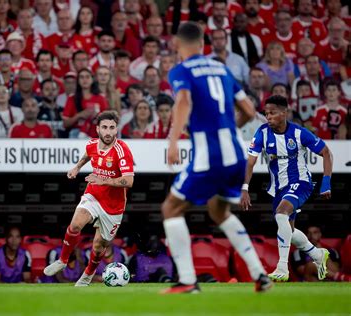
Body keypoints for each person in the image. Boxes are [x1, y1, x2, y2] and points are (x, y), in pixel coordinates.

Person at [161, 22, 271, 294]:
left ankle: (187, 281)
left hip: (209, 155)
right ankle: (260, 274)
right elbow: (248, 109)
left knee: (171, 209)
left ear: (177, 44)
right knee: (218, 211)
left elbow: (183, 101)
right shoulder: (222, 68)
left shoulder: (181, 70)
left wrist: (173, 141)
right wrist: (228, 128)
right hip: (235, 153)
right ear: (202, 44)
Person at [241, 95, 333, 282]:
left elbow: (326, 153)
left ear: (284, 113)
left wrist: (326, 182)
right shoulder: (262, 132)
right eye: (266, 113)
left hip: (301, 182)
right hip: (278, 188)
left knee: (281, 214)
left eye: (272, 113)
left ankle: (282, 267)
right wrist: (244, 188)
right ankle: (317, 255)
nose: (268, 117)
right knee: (288, 231)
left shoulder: (299, 133)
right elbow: (250, 163)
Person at [43, 110, 134, 287]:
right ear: (98, 128)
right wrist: (76, 168)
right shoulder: (92, 144)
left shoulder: (122, 150)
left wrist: (103, 179)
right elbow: (87, 155)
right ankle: (62, 260)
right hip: (93, 195)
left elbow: (129, 181)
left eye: (112, 128)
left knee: (99, 246)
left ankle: (88, 274)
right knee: (75, 224)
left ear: (116, 130)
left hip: (114, 207)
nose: (108, 132)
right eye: (105, 127)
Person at [62, 68, 108, 138]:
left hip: (96, 134)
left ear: (92, 79)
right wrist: (79, 115)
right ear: (78, 81)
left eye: (87, 77)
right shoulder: (72, 98)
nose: (85, 80)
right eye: (82, 77)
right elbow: (65, 124)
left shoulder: (100, 98)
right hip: (76, 133)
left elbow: (107, 122)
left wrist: (96, 117)